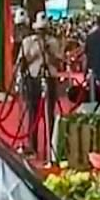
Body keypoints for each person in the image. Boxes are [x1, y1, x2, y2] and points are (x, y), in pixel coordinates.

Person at [19, 13, 62, 156]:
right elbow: (22, 63)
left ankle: (51, 146)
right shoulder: (27, 42)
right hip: (33, 78)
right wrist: (35, 53)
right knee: (33, 113)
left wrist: (48, 52)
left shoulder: (54, 42)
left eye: (44, 31)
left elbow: (58, 62)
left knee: (49, 113)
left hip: (49, 78)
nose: (42, 34)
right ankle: (33, 146)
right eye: (39, 31)